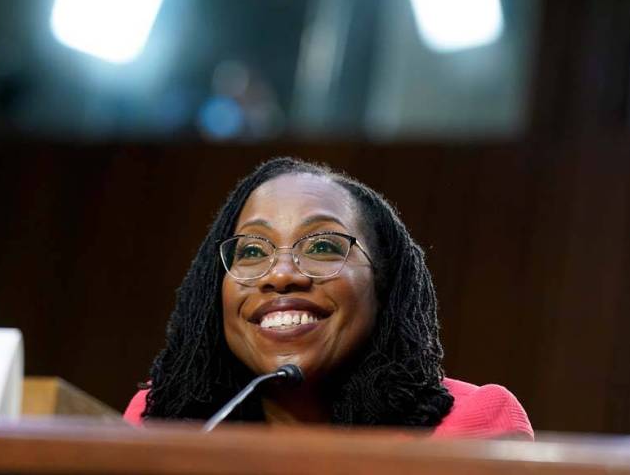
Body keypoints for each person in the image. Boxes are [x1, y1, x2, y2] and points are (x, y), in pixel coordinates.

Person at [124, 157, 533, 438]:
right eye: (252, 251)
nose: (281, 274)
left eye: (322, 246)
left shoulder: (471, 423)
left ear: (383, 287)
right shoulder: (159, 421)